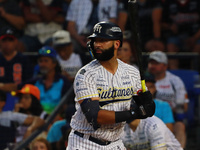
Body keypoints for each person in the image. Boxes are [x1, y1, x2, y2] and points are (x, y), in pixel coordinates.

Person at [66, 21, 155, 150]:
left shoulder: (132, 72)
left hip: (114, 143)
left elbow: (148, 110)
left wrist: (148, 104)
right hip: (85, 142)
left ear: (116, 44)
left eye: (103, 40)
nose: (97, 44)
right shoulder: (85, 74)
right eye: (95, 40)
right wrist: (135, 112)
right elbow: (95, 116)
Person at [0, 46, 72, 114]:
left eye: (46, 61)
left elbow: (67, 105)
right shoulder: (36, 81)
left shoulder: (63, 82)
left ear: (54, 63)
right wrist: (2, 86)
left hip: (56, 120)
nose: (42, 64)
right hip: (36, 119)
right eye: (40, 61)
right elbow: (17, 87)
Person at [147, 50, 189, 148]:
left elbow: (183, 107)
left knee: (180, 125)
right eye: (151, 62)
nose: (152, 65)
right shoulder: (143, 78)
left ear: (165, 66)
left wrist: (168, 109)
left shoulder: (175, 81)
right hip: (147, 114)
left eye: (156, 63)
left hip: (170, 115)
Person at [0, 26, 33, 111]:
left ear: (16, 42)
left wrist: (17, 87)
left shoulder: (23, 59)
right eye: (4, 40)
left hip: (19, 94)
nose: (7, 43)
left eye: (10, 40)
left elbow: (30, 80)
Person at [161, 0, 200, 69]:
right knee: (171, 45)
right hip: (176, 37)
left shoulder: (197, 2)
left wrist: (194, 38)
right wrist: (170, 26)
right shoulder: (169, 3)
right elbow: (162, 23)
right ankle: (175, 73)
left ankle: (194, 73)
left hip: (195, 36)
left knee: (198, 46)